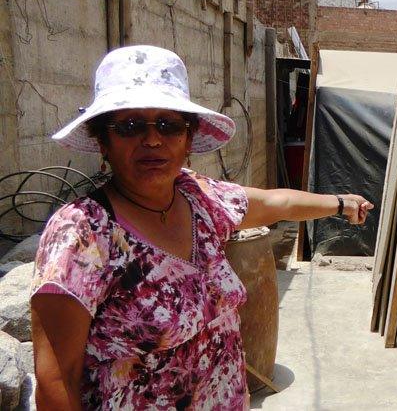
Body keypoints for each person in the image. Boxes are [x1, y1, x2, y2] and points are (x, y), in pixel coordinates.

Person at [30, 45, 373, 410]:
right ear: (103, 141)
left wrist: (339, 202)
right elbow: (56, 379)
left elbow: (275, 203)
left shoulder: (200, 199)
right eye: (130, 126)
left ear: (189, 138)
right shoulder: (83, 234)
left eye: (168, 124)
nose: (152, 139)